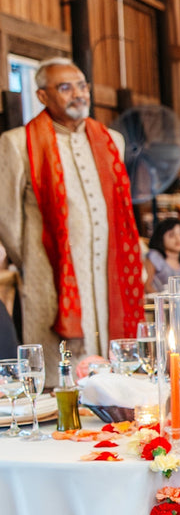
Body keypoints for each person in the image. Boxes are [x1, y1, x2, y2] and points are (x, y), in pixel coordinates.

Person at [0, 59, 143, 361]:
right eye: (65, 88)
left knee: (112, 368)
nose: (78, 94)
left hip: (108, 274)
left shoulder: (111, 140)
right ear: (42, 96)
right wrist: (34, 260)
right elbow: (7, 219)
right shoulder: (17, 144)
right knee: (60, 375)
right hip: (49, 276)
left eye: (82, 86)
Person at [145, 216, 180, 292]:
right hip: (159, 302)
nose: (178, 239)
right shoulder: (155, 257)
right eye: (171, 235)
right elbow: (146, 287)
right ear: (160, 238)